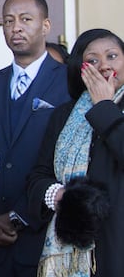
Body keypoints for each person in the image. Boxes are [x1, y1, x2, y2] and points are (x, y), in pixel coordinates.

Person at [0, 0, 70, 277]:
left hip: (46, 236)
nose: (15, 27)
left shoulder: (69, 83)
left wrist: (19, 217)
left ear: (46, 26)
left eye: (25, 19)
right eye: (8, 21)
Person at [26, 29, 124, 277]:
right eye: (92, 60)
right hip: (71, 239)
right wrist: (57, 195)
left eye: (112, 56)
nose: (103, 66)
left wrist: (104, 107)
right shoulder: (64, 115)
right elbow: (39, 175)